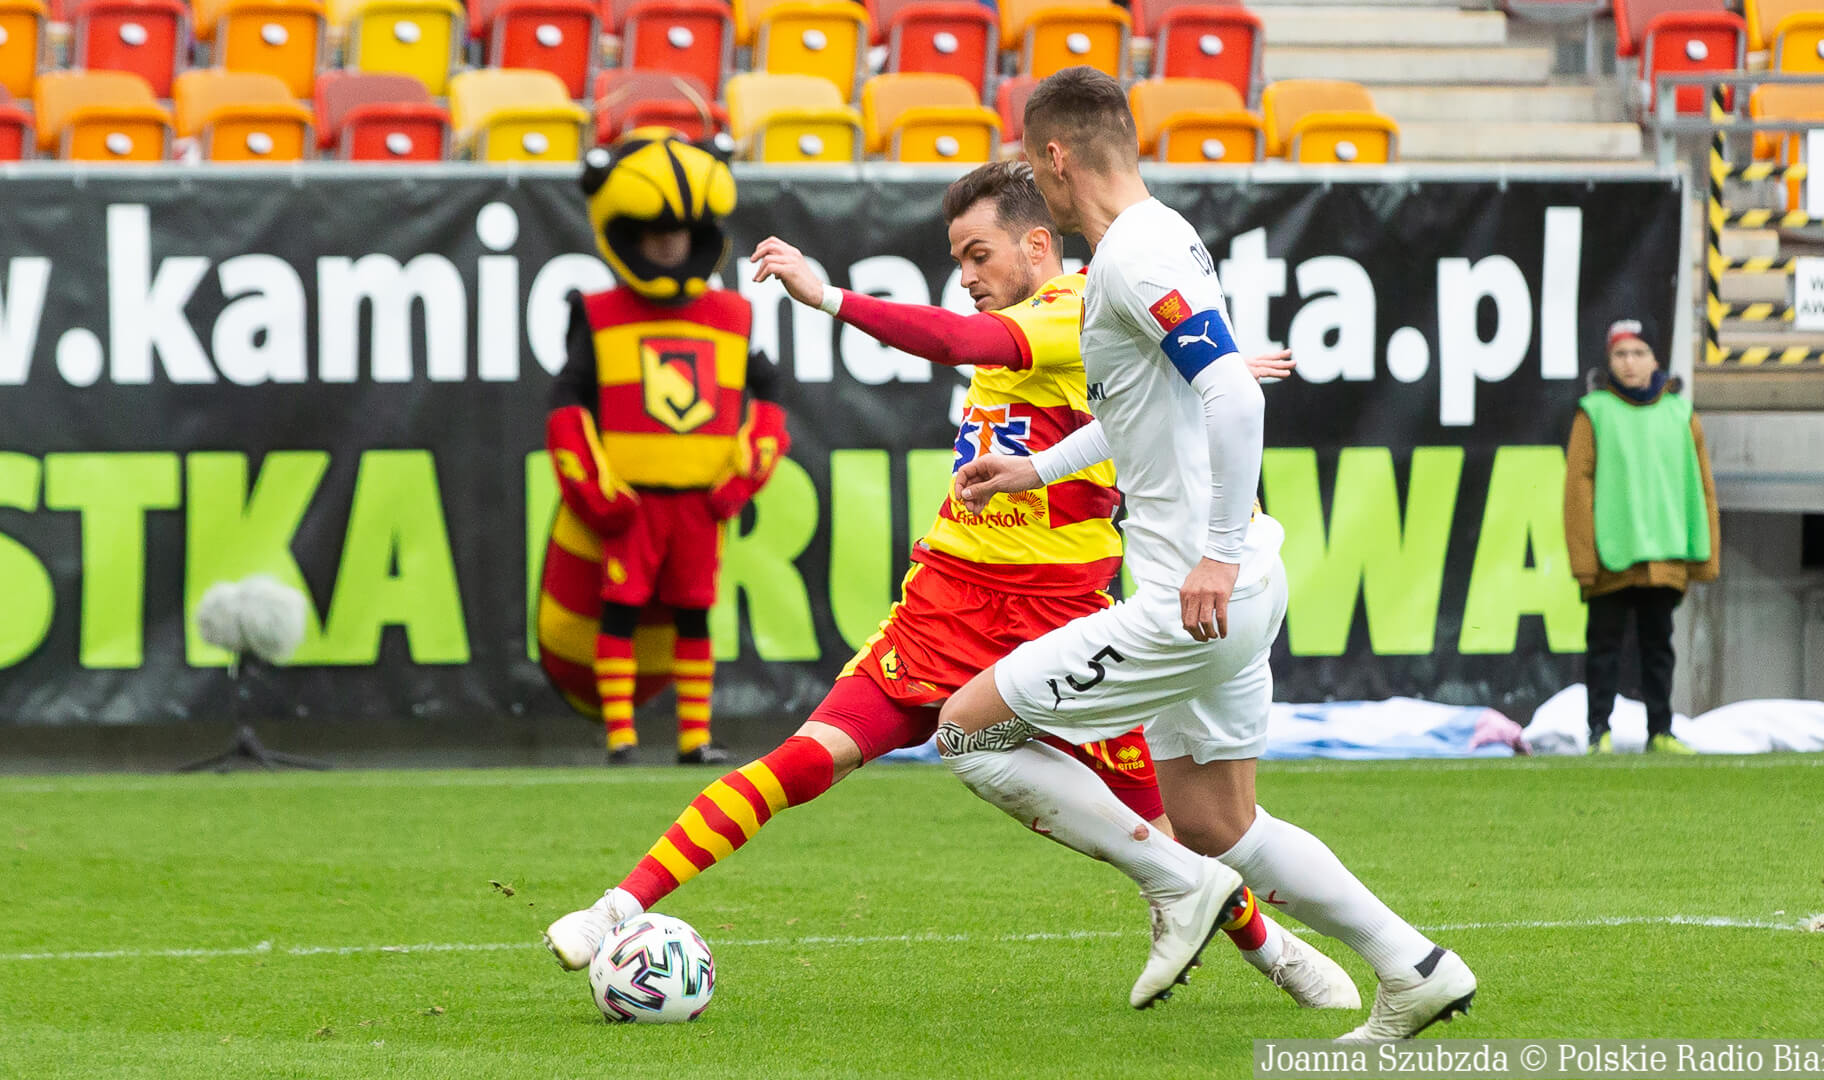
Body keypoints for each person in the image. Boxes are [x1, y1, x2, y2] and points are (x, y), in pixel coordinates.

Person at [542, 161, 1359, 1010]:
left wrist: (827, 296)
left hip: (1058, 623)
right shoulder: (1080, 321)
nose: (966, 278)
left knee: (1169, 827)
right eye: (958, 260)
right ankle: (614, 910)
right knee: (802, 760)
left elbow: (960, 343)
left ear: (1037, 245)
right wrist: (1211, 368)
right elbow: (1144, 379)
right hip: (943, 606)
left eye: (979, 255)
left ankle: (1281, 954)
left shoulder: (1074, 307)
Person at [935, 67, 1475, 1039]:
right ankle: (1415, 966)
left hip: (1197, 593)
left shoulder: (1135, 256)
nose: (1034, 181)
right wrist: (1038, 469)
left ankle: (1176, 885)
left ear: (1056, 157)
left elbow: (1233, 393)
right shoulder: (1154, 240)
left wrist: (1215, 555)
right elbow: (1153, 407)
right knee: (1218, 820)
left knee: (967, 732)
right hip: (1229, 585)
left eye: (1033, 161)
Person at [537, 130, 791, 765]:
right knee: (619, 611)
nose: (668, 244)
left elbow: (771, 392)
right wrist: (592, 486)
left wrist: (746, 473)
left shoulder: (732, 314)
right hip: (631, 502)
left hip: (699, 504)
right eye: (654, 233)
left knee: (695, 614)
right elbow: (567, 401)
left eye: (678, 232)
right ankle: (620, 735)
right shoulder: (596, 312)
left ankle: (694, 737)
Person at [1563, 318, 1720, 755]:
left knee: (1658, 647)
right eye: (1620, 354)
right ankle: (1599, 730)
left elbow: (1701, 487)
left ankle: (1661, 731)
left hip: (1664, 555)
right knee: (1604, 647)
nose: (1629, 363)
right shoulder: (1593, 412)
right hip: (1611, 555)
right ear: (1609, 361)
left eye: (1638, 353)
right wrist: (1583, 559)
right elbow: (1577, 490)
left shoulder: (1680, 413)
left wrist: (1704, 556)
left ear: (1655, 359)